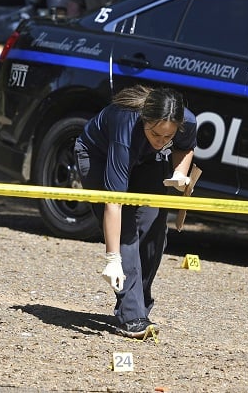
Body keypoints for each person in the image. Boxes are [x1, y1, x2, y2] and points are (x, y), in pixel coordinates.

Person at [74, 85, 197, 339]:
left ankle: (137, 305)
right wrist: (112, 259)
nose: (161, 141)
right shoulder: (125, 123)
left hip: (147, 161)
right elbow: (114, 203)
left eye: (167, 137)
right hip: (98, 154)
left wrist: (179, 173)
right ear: (145, 120)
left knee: (154, 231)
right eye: (156, 134)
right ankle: (132, 317)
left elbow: (184, 148)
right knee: (127, 234)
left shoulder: (187, 121)